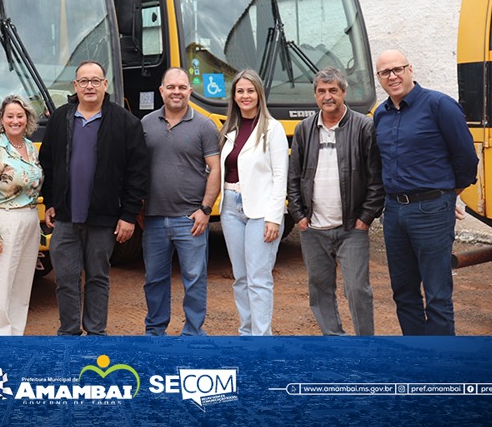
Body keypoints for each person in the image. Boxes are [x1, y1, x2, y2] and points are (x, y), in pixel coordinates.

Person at [39, 60, 149, 335]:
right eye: (84, 81)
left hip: (104, 219)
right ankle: (69, 332)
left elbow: (137, 173)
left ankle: (96, 334)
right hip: (65, 217)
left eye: (95, 80)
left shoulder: (125, 123)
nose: (89, 86)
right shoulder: (60, 118)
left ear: (105, 85)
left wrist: (128, 215)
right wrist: (50, 201)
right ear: (75, 86)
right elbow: (48, 164)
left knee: (98, 277)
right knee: (65, 278)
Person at [373, 50, 478, 335]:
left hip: (431, 210)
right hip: (394, 212)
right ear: (379, 78)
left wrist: (447, 195)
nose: (392, 76)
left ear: (410, 69)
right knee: (403, 292)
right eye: (385, 72)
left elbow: (466, 158)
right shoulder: (380, 114)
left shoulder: (439, 105)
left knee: (437, 294)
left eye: (398, 69)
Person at [287, 67, 384, 336]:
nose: (327, 96)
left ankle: (365, 345)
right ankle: (335, 341)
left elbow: (377, 179)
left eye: (333, 90)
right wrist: (298, 215)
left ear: (343, 92)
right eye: (321, 91)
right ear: (315, 95)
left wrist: (365, 218)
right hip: (313, 229)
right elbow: (293, 176)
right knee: (319, 290)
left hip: (352, 228)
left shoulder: (364, 127)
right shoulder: (305, 129)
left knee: (357, 289)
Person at [141, 68, 220, 336]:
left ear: (190, 91)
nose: (177, 92)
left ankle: (193, 332)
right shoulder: (146, 124)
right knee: (154, 280)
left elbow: (216, 169)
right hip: (153, 219)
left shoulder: (205, 126)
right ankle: (154, 332)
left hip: (191, 219)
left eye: (182, 87)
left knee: (195, 279)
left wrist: (205, 210)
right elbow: (136, 169)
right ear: (161, 91)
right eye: (171, 87)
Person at [218, 68, 288, 336]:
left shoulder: (273, 129)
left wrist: (274, 217)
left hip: (261, 212)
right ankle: (246, 334)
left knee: (259, 279)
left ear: (259, 94)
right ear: (234, 96)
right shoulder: (230, 128)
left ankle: (261, 339)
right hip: (231, 208)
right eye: (240, 91)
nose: (245, 96)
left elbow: (281, 175)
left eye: (250, 91)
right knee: (241, 278)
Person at [0, 95, 43, 335]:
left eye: (20, 116)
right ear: (1, 120)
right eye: (10, 116)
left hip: (30, 220)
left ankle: (16, 339)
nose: (15, 121)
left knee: (22, 287)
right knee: (0, 288)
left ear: (27, 119)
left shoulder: (29, 148)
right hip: (4, 222)